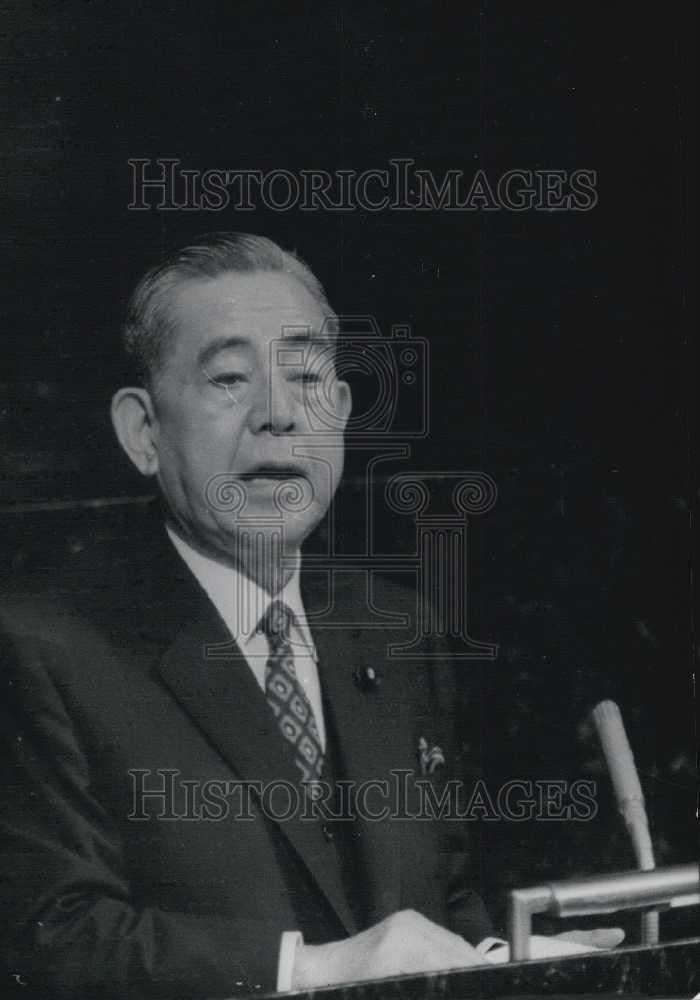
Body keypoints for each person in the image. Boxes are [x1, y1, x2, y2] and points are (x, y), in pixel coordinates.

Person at [0, 233, 618, 998]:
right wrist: (311, 970)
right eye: (229, 379)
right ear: (144, 432)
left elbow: (441, 905)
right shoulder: (40, 650)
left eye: (306, 378)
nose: (279, 415)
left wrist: (512, 962)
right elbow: (47, 940)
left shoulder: (396, 629)